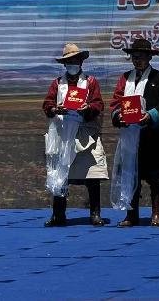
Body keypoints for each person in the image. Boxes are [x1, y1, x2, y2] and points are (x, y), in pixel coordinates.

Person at [109, 38, 159, 227]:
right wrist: (119, 116)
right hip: (130, 137)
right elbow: (116, 102)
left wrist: (151, 115)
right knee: (131, 177)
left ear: (149, 57)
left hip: (153, 136)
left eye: (141, 56)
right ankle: (131, 215)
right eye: (134, 57)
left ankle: (156, 214)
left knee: (155, 178)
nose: (137, 60)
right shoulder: (125, 78)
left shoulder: (158, 79)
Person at [42, 43, 108, 227]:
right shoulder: (57, 83)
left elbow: (98, 104)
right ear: (64, 64)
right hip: (63, 134)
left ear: (81, 62)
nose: (73, 64)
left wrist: (88, 108)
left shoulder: (91, 82)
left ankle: (95, 214)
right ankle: (58, 215)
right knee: (60, 175)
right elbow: (47, 103)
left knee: (92, 175)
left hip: (85, 133)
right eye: (69, 61)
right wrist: (55, 109)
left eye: (76, 60)